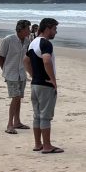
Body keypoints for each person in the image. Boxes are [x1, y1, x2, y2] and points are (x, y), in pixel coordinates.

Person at [23, 18, 62, 154]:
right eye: (54, 29)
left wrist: (33, 75)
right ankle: (47, 146)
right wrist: (53, 80)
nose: (55, 32)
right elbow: (46, 60)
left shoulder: (33, 42)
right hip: (45, 84)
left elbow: (26, 61)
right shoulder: (46, 43)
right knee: (45, 116)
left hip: (35, 84)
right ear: (48, 28)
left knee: (37, 115)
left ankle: (38, 144)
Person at [0, 19, 32, 134]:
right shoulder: (8, 40)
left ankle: (17, 122)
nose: (29, 30)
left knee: (19, 98)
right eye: (27, 28)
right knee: (15, 97)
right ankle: (9, 124)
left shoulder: (28, 41)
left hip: (22, 74)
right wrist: (5, 71)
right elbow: (1, 57)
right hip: (11, 74)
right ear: (20, 29)